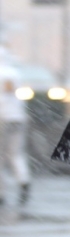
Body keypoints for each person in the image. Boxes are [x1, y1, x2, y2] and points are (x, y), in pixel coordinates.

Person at [0, 67, 30, 205]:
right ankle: (23, 180)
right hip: (17, 117)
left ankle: (2, 193)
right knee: (16, 154)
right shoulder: (13, 72)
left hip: (3, 117)